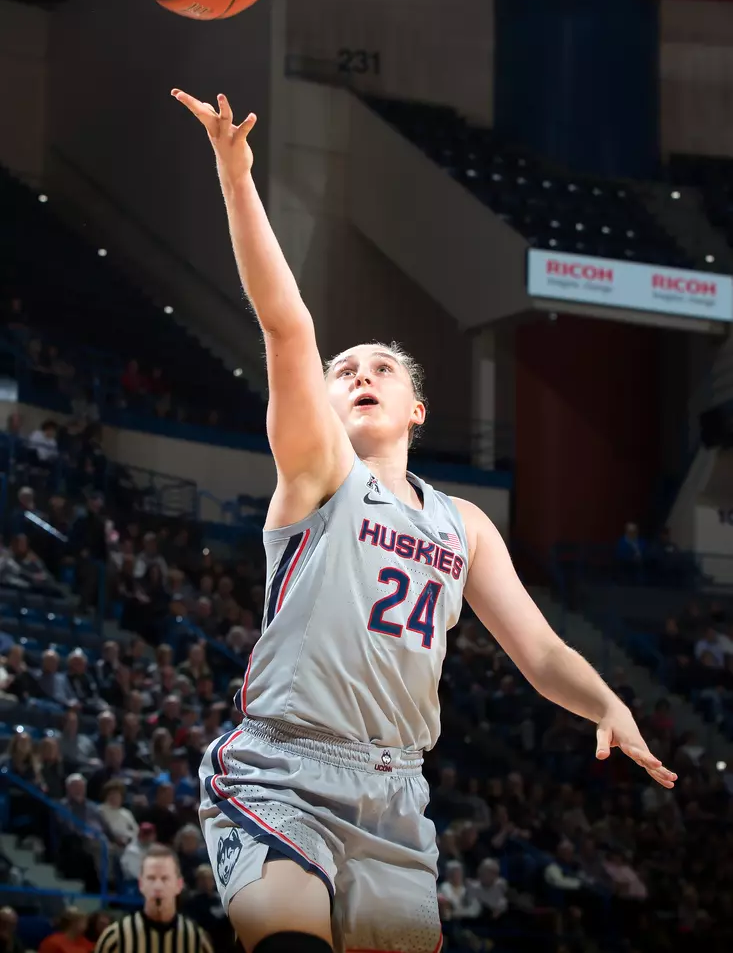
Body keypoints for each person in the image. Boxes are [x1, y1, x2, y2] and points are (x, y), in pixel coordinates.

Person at [174, 87, 676, 953]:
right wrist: (235, 176)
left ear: (416, 409)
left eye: (380, 369)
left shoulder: (464, 526)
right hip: (284, 768)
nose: (358, 374)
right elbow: (287, 329)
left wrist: (605, 703)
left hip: (396, 793)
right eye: (344, 370)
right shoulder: (317, 474)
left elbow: (542, 653)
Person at [94, 845, 212, 953]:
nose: (158, 886)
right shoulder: (115, 938)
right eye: (151, 878)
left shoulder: (197, 940)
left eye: (165, 878)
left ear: (179, 885)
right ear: (141, 885)